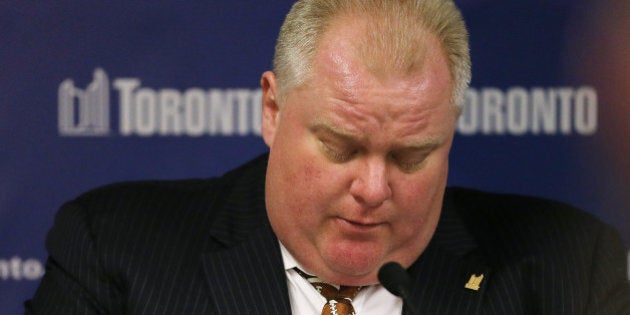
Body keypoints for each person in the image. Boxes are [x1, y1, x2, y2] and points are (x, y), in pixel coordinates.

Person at [26, 0, 630, 314]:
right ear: (272, 108)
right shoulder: (118, 252)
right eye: (341, 147)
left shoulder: (567, 269)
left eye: (411, 156)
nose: (372, 188)